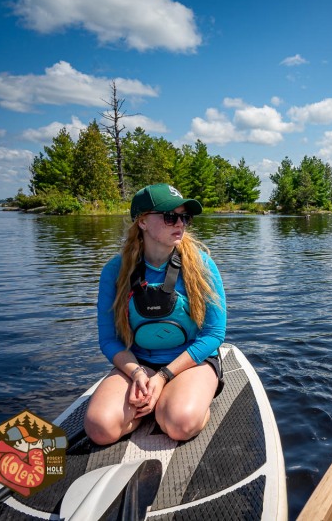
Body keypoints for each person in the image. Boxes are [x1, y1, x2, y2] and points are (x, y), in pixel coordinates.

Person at [84, 184, 227, 445]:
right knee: (100, 428)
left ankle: (180, 402)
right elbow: (109, 339)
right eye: (170, 216)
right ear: (142, 222)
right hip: (139, 362)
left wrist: (163, 377)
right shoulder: (115, 271)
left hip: (190, 362)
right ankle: (156, 402)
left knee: (179, 423)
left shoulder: (203, 266)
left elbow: (214, 333)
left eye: (185, 217)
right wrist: (139, 374)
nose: (180, 223)